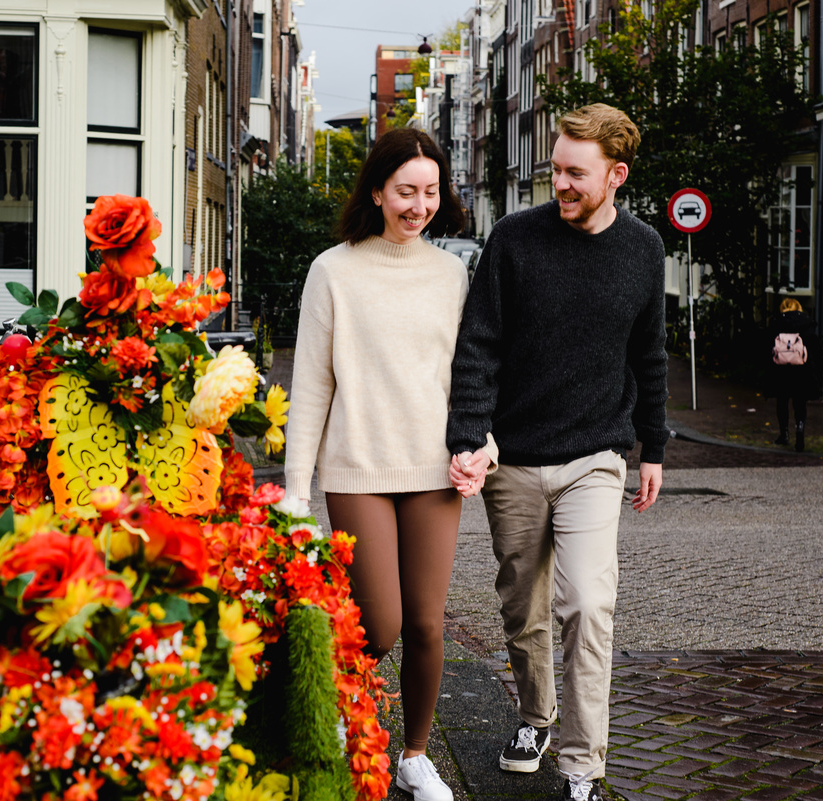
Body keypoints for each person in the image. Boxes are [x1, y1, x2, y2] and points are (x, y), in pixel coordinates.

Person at [446, 104, 669, 801]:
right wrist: (467, 435)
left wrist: (653, 446)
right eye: (555, 169)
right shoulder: (514, 240)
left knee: (588, 601)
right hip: (513, 457)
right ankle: (535, 715)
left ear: (616, 174)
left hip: (594, 457)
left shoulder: (644, 249)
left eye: (577, 172)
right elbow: (478, 344)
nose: (561, 183)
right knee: (523, 603)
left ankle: (581, 765)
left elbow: (650, 354)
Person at [284, 127, 495, 801]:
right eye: (406, 191)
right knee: (381, 620)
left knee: (429, 623)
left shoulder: (450, 271)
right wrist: (295, 489)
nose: (419, 205)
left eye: (431, 192)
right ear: (377, 191)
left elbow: (472, 373)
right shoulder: (332, 271)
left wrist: (481, 441)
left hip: (434, 470)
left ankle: (412, 755)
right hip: (357, 468)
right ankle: (341, 709)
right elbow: (313, 385)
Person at [767, 297, 819, 451]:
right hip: (801, 370)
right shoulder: (806, 323)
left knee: (782, 402)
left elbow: (768, 345)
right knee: (800, 403)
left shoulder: (777, 322)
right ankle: (800, 430)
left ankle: (784, 434)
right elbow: (813, 348)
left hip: (781, 370)